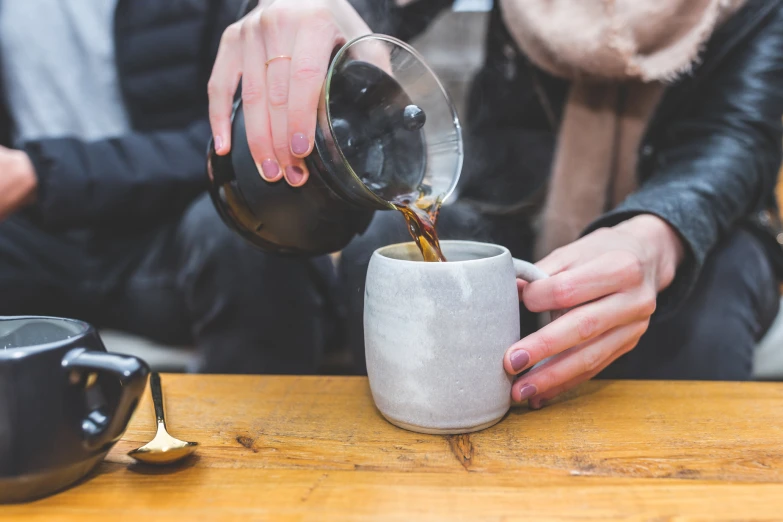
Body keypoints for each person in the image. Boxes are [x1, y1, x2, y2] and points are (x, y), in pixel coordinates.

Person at [208, 0, 783, 405]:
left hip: (699, 220)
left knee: (704, 305)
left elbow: (741, 136)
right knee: (384, 250)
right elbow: (374, 12)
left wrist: (656, 236)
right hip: (511, 208)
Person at [0, 0, 341, 375]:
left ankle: (257, 427)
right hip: (35, 240)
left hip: (169, 235)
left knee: (242, 230)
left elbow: (230, 138)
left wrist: (41, 173)